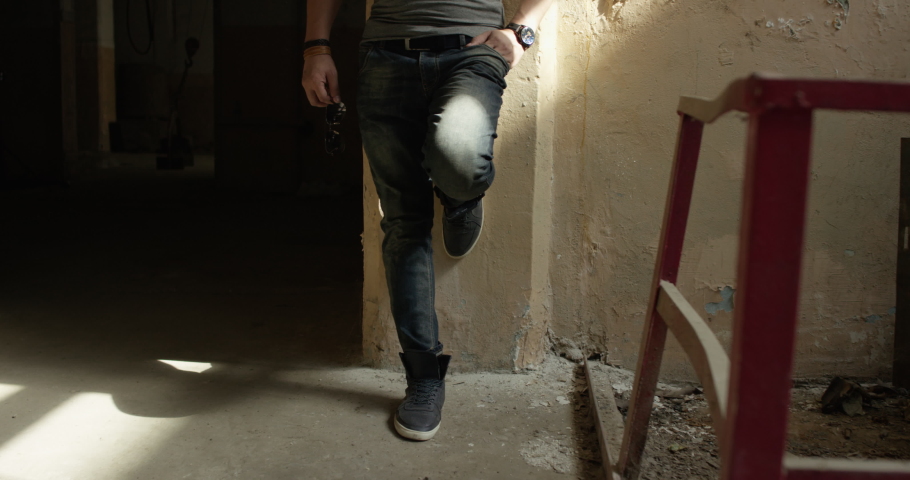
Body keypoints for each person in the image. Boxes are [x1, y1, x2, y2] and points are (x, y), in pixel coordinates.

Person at [301, 0, 554, 441]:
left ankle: (460, 199)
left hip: (473, 50)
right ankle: (423, 376)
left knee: (459, 158)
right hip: (384, 54)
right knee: (403, 221)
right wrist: (315, 48)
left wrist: (522, 30)